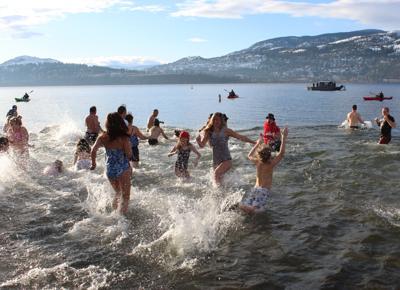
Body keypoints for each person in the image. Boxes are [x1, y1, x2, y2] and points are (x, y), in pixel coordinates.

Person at [196, 112, 256, 185]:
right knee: (220, 180)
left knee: (216, 174)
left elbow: (241, 137)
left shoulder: (226, 131)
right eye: (214, 119)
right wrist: (198, 140)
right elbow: (202, 145)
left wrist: (254, 142)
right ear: (211, 120)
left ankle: (217, 192)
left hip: (226, 159)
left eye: (218, 120)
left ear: (221, 121)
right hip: (216, 159)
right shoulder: (209, 132)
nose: (216, 121)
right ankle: (223, 193)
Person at [91, 112, 132, 214]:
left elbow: (93, 150)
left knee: (118, 192)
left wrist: (93, 164)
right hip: (122, 168)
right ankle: (121, 218)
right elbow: (129, 155)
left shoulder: (102, 137)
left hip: (110, 170)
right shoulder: (124, 138)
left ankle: (114, 214)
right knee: (125, 196)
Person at [239, 127, 288, 214]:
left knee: (250, 205)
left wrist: (257, 144)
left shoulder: (257, 162)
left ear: (259, 155)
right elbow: (281, 153)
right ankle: (241, 206)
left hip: (255, 188)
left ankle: (243, 206)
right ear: (269, 155)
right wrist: (283, 137)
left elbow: (249, 155)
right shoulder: (271, 164)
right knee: (254, 209)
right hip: (263, 190)